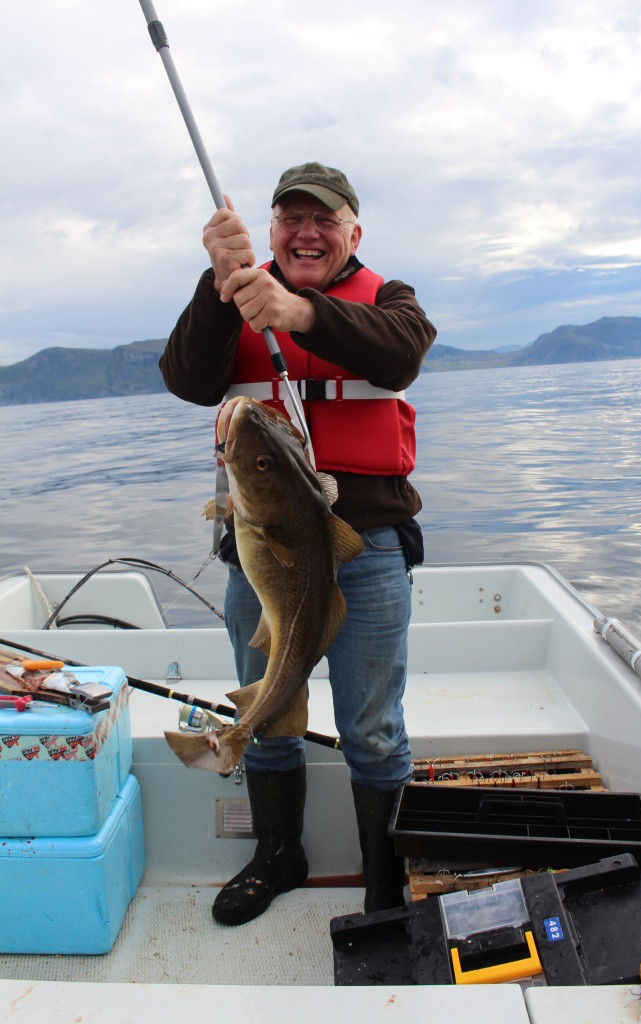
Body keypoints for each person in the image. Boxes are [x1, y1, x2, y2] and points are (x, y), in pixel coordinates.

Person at [160, 161, 436, 926]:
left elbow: (403, 351)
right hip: (265, 543)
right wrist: (218, 287)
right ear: (271, 229)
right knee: (271, 710)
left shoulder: (388, 300)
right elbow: (186, 379)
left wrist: (301, 312)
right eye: (291, 218)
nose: (306, 232)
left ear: (353, 232)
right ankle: (278, 853)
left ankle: (385, 880)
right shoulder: (237, 293)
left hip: (366, 544)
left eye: (324, 219)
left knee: (372, 729)